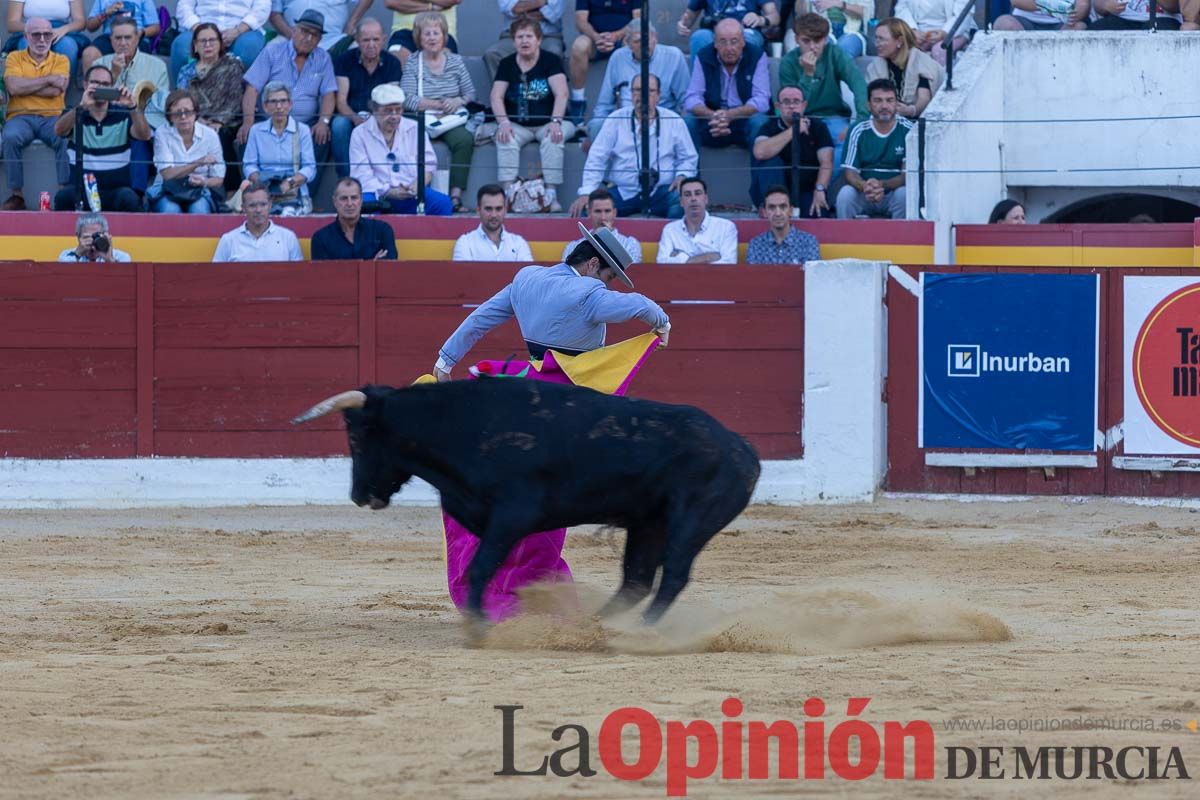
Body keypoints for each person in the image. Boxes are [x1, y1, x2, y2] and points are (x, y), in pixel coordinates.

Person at [434, 223, 670, 622]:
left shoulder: (527, 278)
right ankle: (525, 591)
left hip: (522, 392)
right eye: (610, 275)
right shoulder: (589, 294)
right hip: (565, 403)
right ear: (594, 263)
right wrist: (661, 321)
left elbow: (480, 319)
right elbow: (637, 305)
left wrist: (445, 359)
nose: (609, 284)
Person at [575, 73, 697, 218]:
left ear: (658, 95)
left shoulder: (674, 120)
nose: (643, 95)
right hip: (623, 192)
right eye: (637, 90)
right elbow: (597, 158)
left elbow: (688, 157)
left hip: (661, 191)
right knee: (586, 210)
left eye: (650, 91)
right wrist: (587, 193)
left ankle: (674, 240)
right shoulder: (616, 119)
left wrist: (682, 176)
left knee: (684, 202)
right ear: (631, 94)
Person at [489, 16, 575, 213]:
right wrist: (503, 122)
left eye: (529, 36)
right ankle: (508, 194)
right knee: (504, 137)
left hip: (551, 121)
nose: (524, 41)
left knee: (554, 137)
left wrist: (555, 121)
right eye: (520, 37)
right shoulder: (506, 63)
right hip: (519, 125)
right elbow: (496, 97)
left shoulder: (551, 60)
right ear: (513, 41)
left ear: (539, 40)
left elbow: (561, 94)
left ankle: (551, 195)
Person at [239, 9, 337, 169]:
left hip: (305, 125)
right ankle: (256, 192)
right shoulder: (273, 51)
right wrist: (248, 121)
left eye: (315, 35)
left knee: (322, 137)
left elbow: (329, 93)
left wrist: (323, 122)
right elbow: (252, 88)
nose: (309, 38)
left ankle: (304, 192)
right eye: (305, 31)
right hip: (268, 120)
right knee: (246, 136)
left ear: (320, 39)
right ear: (294, 30)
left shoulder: (323, 58)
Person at [399, 12, 476, 210]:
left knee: (465, 140)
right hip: (422, 117)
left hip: (449, 118)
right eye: (427, 33)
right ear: (419, 37)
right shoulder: (413, 62)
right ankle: (410, 192)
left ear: (444, 36)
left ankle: (456, 196)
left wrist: (457, 100)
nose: (432, 37)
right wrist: (437, 104)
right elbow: (406, 99)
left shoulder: (455, 61)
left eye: (436, 33)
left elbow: (470, 93)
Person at [52, 64, 150, 211]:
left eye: (105, 84)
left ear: (112, 87)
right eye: (95, 83)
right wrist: (81, 108)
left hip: (116, 190)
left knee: (130, 198)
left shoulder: (123, 113)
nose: (99, 87)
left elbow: (144, 135)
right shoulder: (76, 112)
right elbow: (59, 131)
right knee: (63, 197)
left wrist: (132, 107)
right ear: (85, 85)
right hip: (81, 190)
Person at [780, 12, 868, 169]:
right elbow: (794, 104)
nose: (812, 47)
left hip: (832, 116)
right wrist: (808, 74)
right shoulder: (788, 62)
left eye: (818, 40)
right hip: (802, 120)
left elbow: (858, 84)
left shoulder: (834, 53)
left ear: (826, 39)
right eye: (806, 41)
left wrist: (860, 121)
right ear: (796, 39)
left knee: (848, 143)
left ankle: (821, 187)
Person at [349, 83, 454, 215]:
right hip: (377, 193)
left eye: (398, 110)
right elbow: (361, 176)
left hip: (410, 192)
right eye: (388, 111)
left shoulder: (415, 128)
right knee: (366, 206)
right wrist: (389, 192)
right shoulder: (360, 133)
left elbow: (428, 166)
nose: (394, 116)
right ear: (374, 110)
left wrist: (415, 187)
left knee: (443, 204)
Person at [2, 18, 71, 211]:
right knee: (9, 136)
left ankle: (64, 193)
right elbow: (13, 88)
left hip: (52, 117)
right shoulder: (14, 57)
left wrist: (26, 85)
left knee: (65, 137)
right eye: (36, 34)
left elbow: (57, 91)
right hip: (20, 116)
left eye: (47, 34)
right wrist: (48, 79)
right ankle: (17, 196)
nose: (42, 39)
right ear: (26, 37)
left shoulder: (61, 59)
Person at [95, 15, 169, 191]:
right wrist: (113, 73)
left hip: (142, 118)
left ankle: (138, 193)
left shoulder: (157, 65)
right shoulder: (99, 64)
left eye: (128, 37)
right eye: (118, 38)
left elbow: (160, 106)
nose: (123, 43)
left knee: (139, 138)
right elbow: (94, 100)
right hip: (108, 121)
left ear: (137, 38)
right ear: (111, 40)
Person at [587, 20, 690, 140]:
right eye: (637, 41)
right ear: (628, 43)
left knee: (688, 123)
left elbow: (685, 101)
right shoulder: (618, 58)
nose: (644, 45)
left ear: (655, 38)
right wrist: (595, 130)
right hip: (625, 122)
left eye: (647, 39)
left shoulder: (674, 56)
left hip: (662, 122)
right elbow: (604, 105)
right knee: (596, 126)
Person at [682, 18, 771, 154]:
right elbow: (692, 97)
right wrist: (712, 115)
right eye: (723, 41)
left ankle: (759, 174)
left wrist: (731, 115)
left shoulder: (757, 56)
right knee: (688, 121)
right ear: (715, 43)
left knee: (759, 122)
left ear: (743, 42)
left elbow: (762, 99)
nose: (729, 48)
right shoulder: (704, 56)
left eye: (734, 41)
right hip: (712, 120)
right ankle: (691, 174)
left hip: (744, 119)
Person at [177, 22, 247, 193]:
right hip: (194, 122)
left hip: (226, 123)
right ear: (195, 45)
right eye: (202, 41)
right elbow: (181, 101)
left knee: (222, 137)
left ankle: (229, 193)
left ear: (220, 43)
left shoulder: (232, 65)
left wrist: (219, 122)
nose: (207, 45)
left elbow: (235, 99)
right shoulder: (186, 71)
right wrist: (198, 120)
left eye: (212, 40)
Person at [333, 19, 403, 179]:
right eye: (366, 40)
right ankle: (346, 180)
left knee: (395, 122)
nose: (371, 44)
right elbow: (341, 102)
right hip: (351, 115)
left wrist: (374, 120)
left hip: (381, 116)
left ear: (383, 39)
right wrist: (357, 120)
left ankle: (384, 181)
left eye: (376, 39)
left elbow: (392, 101)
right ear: (357, 40)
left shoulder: (392, 63)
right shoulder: (344, 60)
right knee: (338, 125)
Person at [750, 84, 833, 214]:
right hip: (773, 192)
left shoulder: (818, 127)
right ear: (778, 106)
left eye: (796, 102)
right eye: (786, 102)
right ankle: (768, 207)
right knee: (770, 162)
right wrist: (794, 130)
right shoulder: (768, 127)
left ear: (804, 105)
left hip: (806, 190)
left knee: (818, 212)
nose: (792, 106)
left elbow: (826, 162)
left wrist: (820, 189)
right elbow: (760, 152)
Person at [836, 78, 912, 220]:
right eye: (878, 100)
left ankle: (902, 240)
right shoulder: (857, 129)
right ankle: (846, 240)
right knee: (845, 194)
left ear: (896, 104)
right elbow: (849, 173)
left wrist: (882, 185)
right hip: (864, 192)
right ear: (868, 105)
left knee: (905, 194)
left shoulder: (908, 130)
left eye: (889, 100)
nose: (884, 106)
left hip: (892, 193)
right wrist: (865, 186)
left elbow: (906, 176)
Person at [242, 81, 317, 215]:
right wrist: (261, 183)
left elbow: (310, 168)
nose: (279, 106)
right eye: (273, 102)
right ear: (265, 106)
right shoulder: (256, 130)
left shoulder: (302, 130)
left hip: (293, 191)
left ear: (290, 105)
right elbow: (249, 165)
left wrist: (290, 182)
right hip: (264, 189)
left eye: (283, 101)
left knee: (288, 214)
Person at [148, 89, 225, 213]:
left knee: (199, 209)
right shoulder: (162, 133)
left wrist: (203, 182)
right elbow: (167, 174)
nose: (183, 117)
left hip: (199, 190)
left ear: (195, 114)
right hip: (167, 189)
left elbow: (219, 178)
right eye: (178, 113)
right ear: (170, 116)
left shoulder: (210, 135)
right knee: (170, 210)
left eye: (188, 112)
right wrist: (199, 162)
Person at [567, 0, 637, 123]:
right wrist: (597, 37)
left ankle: (628, 99)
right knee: (579, 46)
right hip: (594, 39)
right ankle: (578, 101)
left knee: (632, 45)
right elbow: (580, 21)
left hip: (624, 38)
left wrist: (615, 36)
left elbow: (638, 20)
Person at [171, 0, 271, 80]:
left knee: (249, 48)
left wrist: (238, 30)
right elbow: (184, 6)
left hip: (243, 29)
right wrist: (200, 30)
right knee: (181, 47)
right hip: (201, 26)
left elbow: (262, 7)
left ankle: (240, 100)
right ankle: (181, 100)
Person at [865, 17, 942, 120]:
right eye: (876, 38)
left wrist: (911, 110)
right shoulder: (875, 66)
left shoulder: (921, 62)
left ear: (899, 41)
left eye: (882, 39)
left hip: (915, 121)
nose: (877, 44)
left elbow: (924, 97)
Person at [311, 177, 399, 259]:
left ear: (361, 200)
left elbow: (389, 271)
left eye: (354, 198)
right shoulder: (321, 239)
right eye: (344, 198)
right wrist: (372, 265)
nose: (349, 203)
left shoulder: (382, 231)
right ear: (335, 202)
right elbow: (323, 275)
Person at [212, 182, 304, 261]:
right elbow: (216, 276)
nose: (258, 210)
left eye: (263, 204)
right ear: (243, 208)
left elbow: (298, 277)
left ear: (270, 205)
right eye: (252, 205)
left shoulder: (288, 238)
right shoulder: (228, 240)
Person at [656, 176, 738, 263]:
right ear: (681, 202)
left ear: (706, 199)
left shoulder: (725, 227)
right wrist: (707, 257)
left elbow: (729, 263)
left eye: (698, 193)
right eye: (687, 195)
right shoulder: (670, 229)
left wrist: (680, 257)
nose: (693, 199)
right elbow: (662, 263)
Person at [3, 0, 88, 81]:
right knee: (26, 44)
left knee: (68, 45)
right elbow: (12, 24)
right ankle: (29, 92)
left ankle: (61, 92)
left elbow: (80, 21)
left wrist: (64, 29)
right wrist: (37, 29)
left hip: (59, 31)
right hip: (31, 30)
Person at [483, 0, 565, 79]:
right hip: (513, 36)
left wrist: (523, 11)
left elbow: (554, 13)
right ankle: (505, 92)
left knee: (554, 53)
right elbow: (512, 8)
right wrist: (541, 2)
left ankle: (546, 92)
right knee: (493, 54)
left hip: (547, 36)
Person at [452, 184, 534, 261]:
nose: (494, 215)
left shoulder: (519, 243)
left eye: (498, 209)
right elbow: (463, 276)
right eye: (488, 209)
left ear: (505, 210)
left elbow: (529, 275)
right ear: (478, 210)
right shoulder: (465, 243)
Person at [746, 185, 821, 264]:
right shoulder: (755, 245)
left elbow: (813, 275)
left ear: (791, 211)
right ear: (764, 212)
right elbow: (754, 276)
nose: (778, 213)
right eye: (772, 207)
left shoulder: (808, 242)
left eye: (783, 207)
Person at [80, 0, 159, 74]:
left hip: (136, 36)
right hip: (110, 36)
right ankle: (92, 87)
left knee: (130, 56)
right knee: (89, 54)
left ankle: (131, 87)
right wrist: (104, 13)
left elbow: (156, 27)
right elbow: (90, 26)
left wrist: (141, 33)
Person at [675, 0, 779, 56]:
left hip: (746, 31)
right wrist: (683, 24)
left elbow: (775, 17)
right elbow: (689, 16)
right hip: (715, 32)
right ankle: (700, 88)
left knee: (746, 39)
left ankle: (743, 88)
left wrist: (760, 19)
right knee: (699, 37)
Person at [563, 187, 641, 261]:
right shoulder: (573, 247)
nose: (603, 217)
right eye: (598, 211)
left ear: (614, 213)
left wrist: (609, 240)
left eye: (607, 211)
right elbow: (566, 274)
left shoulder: (631, 244)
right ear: (589, 212)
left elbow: (631, 272)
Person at [268, 0, 372, 55]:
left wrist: (352, 23)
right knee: (270, 50)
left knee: (357, 52)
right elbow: (274, 13)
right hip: (290, 36)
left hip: (334, 40)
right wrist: (292, 35)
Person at [893, 0, 976, 66]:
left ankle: (942, 84)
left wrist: (944, 33)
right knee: (907, 50)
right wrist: (912, 30)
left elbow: (964, 13)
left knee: (939, 50)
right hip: (919, 30)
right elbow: (902, 8)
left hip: (954, 31)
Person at [384, 0, 459, 65]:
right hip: (404, 31)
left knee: (441, 67)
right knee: (395, 62)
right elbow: (391, 2)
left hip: (439, 31)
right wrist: (431, 7)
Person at [787, 0, 870, 58]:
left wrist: (838, 4)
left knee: (843, 49)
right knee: (818, 48)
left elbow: (867, 12)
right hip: (821, 30)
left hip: (853, 31)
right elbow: (801, 14)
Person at [58, 212, 131, 261]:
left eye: (96, 237)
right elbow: (61, 278)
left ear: (105, 235)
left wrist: (109, 260)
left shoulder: (121, 257)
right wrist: (77, 254)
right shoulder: (66, 256)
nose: (92, 242)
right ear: (78, 237)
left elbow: (124, 282)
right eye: (87, 237)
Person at [993, 0, 1089, 30]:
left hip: (1062, 23)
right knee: (1003, 23)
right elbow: (1017, 2)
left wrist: (1079, 11)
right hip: (1024, 21)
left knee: (1079, 27)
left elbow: (1083, 4)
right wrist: (1051, 7)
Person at [1089, 0, 1184, 29]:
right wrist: (1106, 5)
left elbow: (1175, 7)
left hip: (1162, 19)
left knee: (1164, 33)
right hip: (1122, 18)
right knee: (1095, 30)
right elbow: (1098, 6)